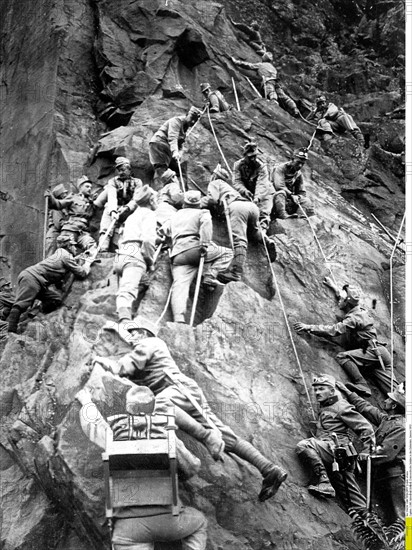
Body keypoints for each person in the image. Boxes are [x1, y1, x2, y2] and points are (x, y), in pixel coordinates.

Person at [96, 316, 288, 502]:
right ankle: (269, 470)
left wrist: (108, 364)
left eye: (134, 333)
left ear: (142, 332)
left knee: (157, 407)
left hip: (176, 389)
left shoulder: (150, 343)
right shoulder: (149, 346)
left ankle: (205, 437)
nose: (132, 337)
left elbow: (126, 366)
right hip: (184, 390)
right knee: (226, 437)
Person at [76, 383, 208, 550]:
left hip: (127, 530)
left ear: (128, 408)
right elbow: (192, 467)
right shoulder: (166, 435)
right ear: (152, 407)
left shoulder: (113, 436)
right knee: (199, 521)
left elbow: (94, 425)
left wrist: (86, 400)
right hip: (169, 522)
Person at [294, 279, 397, 396]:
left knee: (342, 357)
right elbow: (346, 299)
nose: (339, 302)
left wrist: (308, 327)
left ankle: (362, 384)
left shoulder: (354, 318)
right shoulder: (357, 309)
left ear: (347, 303)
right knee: (392, 392)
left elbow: (333, 330)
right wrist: (333, 286)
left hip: (374, 353)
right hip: (375, 355)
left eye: (342, 300)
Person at [296, 374, 375, 511]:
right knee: (351, 497)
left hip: (338, 451)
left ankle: (324, 482)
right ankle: (369, 525)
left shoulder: (341, 406)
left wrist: (366, 449)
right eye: (315, 389)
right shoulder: (327, 405)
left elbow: (366, 428)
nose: (317, 392)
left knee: (304, 445)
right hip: (334, 453)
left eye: (321, 389)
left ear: (332, 391)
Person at [336, 381, 405, 524]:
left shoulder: (400, 427)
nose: (384, 400)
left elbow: (385, 452)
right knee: (390, 517)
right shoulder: (388, 419)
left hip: (396, 477)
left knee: (401, 516)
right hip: (384, 475)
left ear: (393, 406)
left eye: (389, 399)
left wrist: (366, 455)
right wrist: (349, 393)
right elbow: (367, 409)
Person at [161, 190, 233, 324]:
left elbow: (163, 231)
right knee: (227, 253)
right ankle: (210, 276)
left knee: (180, 286)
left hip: (178, 255)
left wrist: (170, 244)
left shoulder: (175, 215)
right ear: (199, 204)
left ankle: (179, 318)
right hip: (195, 250)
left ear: (184, 203)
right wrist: (204, 244)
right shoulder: (202, 213)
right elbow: (206, 224)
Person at [200, 164, 276, 283]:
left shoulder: (215, 183)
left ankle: (236, 272)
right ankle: (266, 240)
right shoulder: (229, 188)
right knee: (254, 231)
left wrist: (200, 203)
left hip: (237, 207)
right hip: (251, 207)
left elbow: (212, 199)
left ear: (215, 175)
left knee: (239, 239)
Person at [6, 235, 90, 333]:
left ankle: (34, 313)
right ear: (69, 246)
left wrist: (76, 259)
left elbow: (58, 272)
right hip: (32, 278)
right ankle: (11, 331)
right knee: (22, 304)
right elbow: (82, 273)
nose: (75, 248)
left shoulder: (60, 254)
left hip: (37, 280)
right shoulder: (66, 256)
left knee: (55, 299)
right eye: (73, 246)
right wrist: (87, 264)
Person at [114, 186, 158, 323]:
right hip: (136, 255)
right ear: (151, 200)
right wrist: (150, 262)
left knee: (132, 285)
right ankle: (125, 320)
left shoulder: (132, 216)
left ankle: (128, 313)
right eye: (156, 199)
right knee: (128, 290)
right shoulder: (149, 214)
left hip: (122, 254)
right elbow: (147, 240)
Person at [149, 107, 202, 190]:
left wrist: (179, 153)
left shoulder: (185, 128)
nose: (192, 122)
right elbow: (172, 137)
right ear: (187, 115)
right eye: (191, 118)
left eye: (195, 121)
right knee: (161, 169)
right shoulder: (176, 121)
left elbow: (180, 144)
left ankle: (179, 192)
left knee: (179, 171)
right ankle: (158, 193)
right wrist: (175, 152)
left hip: (168, 149)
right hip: (159, 145)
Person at [98, 157, 143, 252]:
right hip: (117, 208)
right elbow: (112, 197)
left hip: (131, 210)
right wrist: (113, 211)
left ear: (129, 170)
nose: (120, 172)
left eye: (123, 170)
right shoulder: (112, 181)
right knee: (107, 211)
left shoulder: (137, 182)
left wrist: (127, 208)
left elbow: (137, 198)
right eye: (118, 170)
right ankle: (103, 245)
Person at [231, 53, 299, 116]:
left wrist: (236, 62)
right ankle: (294, 108)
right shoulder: (273, 68)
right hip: (276, 82)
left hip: (268, 81)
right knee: (283, 96)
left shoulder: (261, 65)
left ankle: (274, 103)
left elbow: (249, 65)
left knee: (271, 91)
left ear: (263, 59)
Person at [232, 141, 275, 240]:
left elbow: (262, 184)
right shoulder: (238, 165)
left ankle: (262, 232)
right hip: (248, 190)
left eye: (255, 156)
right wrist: (244, 191)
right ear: (245, 156)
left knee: (264, 210)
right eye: (250, 157)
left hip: (265, 192)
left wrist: (257, 198)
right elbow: (237, 181)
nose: (253, 159)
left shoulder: (261, 167)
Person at [53, 176, 97, 254]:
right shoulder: (72, 197)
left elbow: (91, 215)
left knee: (92, 247)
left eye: (90, 187)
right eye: (87, 186)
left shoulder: (90, 201)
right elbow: (59, 205)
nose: (89, 188)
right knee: (65, 252)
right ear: (80, 187)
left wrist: (91, 203)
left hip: (83, 232)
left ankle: (85, 265)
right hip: (70, 229)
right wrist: (50, 198)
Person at [271, 148, 314, 219]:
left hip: (288, 200)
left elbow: (302, 192)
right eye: (298, 162)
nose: (300, 166)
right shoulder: (280, 169)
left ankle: (298, 218)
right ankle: (283, 215)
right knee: (281, 193)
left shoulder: (298, 174)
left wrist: (298, 197)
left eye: (302, 164)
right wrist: (292, 195)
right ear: (292, 159)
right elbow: (279, 186)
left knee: (306, 201)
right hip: (275, 198)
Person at [44, 184, 72, 257]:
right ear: (61, 195)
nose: (66, 195)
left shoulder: (64, 207)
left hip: (58, 237)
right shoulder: (56, 209)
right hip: (53, 237)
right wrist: (69, 224)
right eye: (64, 193)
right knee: (51, 260)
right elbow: (58, 224)